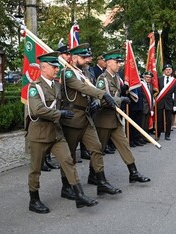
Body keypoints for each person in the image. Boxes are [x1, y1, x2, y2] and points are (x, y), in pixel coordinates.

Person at [26, 52, 98, 214]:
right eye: (53, 67)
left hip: (57, 133)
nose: (57, 69)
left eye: (57, 66)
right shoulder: (34, 87)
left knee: (68, 161)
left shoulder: (57, 85)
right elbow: (37, 110)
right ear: (44, 68)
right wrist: (60, 114)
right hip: (40, 134)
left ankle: (79, 195)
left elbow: (68, 101)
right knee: (35, 169)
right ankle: (34, 199)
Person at [60, 43, 122, 196]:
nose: (88, 60)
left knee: (96, 148)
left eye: (87, 57)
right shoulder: (67, 73)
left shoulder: (83, 73)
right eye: (84, 57)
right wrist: (102, 94)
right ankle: (66, 186)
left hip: (87, 118)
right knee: (70, 155)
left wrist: (94, 101)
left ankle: (101, 182)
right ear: (74, 58)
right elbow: (83, 88)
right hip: (72, 118)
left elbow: (88, 89)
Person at [93, 49, 151, 184]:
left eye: (120, 62)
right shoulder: (103, 79)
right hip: (104, 120)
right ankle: (93, 174)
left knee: (124, 145)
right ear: (108, 63)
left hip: (115, 119)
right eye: (116, 62)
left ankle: (133, 172)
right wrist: (121, 100)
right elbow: (101, 99)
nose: (119, 65)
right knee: (98, 150)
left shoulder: (116, 78)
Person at [156, 64, 176, 141]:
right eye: (167, 69)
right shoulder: (159, 79)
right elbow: (156, 91)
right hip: (160, 101)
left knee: (169, 119)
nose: (168, 71)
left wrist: (175, 104)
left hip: (169, 102)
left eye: (170, 69)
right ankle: (158, 134)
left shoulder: (174, 81)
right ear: (164, 71)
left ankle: (167, 135)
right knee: (159, 119)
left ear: (171, 71)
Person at [141, 71, 154, 137]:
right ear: (144, 77)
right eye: (147, 77)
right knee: (142, 124)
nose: (148, 78)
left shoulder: (151, 86)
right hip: (143, 107)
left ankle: (146, 137)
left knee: (146, 124)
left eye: (150, 77)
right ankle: (141, 137)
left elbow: (151, 98)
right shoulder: (141, 85)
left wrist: (151, 109)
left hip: (148, 107)